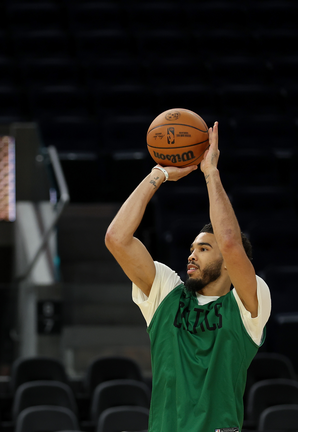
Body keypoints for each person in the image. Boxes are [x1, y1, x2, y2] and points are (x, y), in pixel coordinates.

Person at [104, 122, 271, 432]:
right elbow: (117, 237)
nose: (191, 255)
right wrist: (159, 174)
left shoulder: (249, 304)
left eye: (204, 248)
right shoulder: (167, 292)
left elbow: (231, 243)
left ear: (227, 265)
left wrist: (210, 173)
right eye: (192, 248)